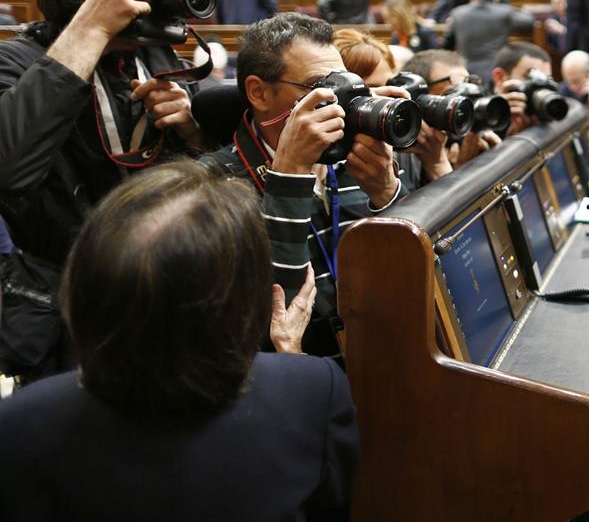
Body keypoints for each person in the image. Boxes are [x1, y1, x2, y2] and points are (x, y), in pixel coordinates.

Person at [0, 160, 359, 520]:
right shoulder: (315, 393)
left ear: (82, 289)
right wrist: (290, 357)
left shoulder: (19, 428)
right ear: (241, 302)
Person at [0, 0, 206, 380]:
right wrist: (92, 26)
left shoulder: (156, 55)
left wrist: (191, 129)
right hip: (67, 319)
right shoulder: (17, 61)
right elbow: (9, 168)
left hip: (167, 296)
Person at [200, 13, 419, 359]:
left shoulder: (358, 159)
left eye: (344, 82)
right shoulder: (210, 185)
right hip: (298, 382)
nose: (341, 101)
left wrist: (387, 193)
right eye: (323, 87)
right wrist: (289, 173)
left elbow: (420, 270)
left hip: (378, 364)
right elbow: (260, 322)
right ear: (258, 92)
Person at [443, 0, 534, 80]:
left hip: (466, 72)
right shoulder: (505, 12)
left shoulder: (457, 13)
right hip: (495, 72)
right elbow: (529, 21)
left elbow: (447, 45)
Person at [490, 41, 553, 135]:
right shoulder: (481, 118)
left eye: (546, 81)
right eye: (531, 77)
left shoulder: (550, 111)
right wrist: (499, 117)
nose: (540, 87)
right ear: (500, 77)